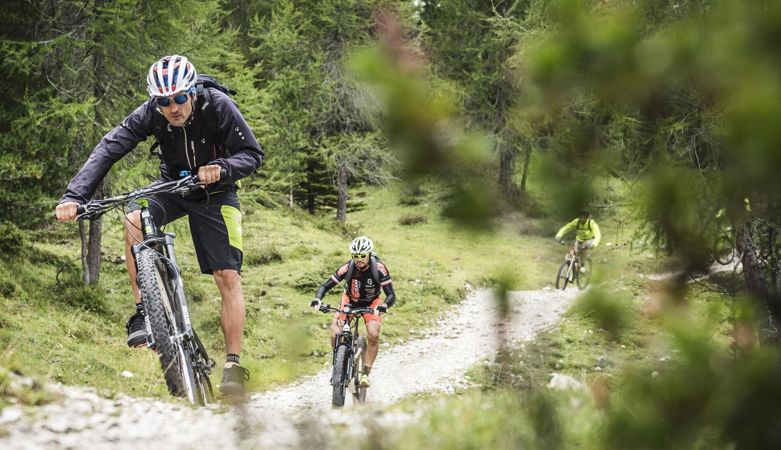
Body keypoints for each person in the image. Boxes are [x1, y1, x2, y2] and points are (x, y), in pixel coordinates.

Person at [54, 55, 263, 396]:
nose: (173, 108)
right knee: (135, 218)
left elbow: (252, 154)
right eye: (164, 101)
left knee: (228, 277)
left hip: (217, 192)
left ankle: (233, 364)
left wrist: (222, 168)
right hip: (174, 188)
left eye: (180, 98)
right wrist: (74, 196)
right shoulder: (151, 112)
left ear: (192, 92)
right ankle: (144, 312)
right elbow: (109, 148)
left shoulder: (218, 106)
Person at [310, 236, 397, 388]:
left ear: (369, 254)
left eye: (362, 256)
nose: (359, 260)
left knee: (373, 334)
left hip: (372, 302)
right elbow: (325, 286)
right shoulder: (348, 267)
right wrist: (318, 299)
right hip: (350, 300)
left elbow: (391, 294)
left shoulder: (379, 268)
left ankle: (365, 374)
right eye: (355, 256)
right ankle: (339, 365)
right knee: (335, 331)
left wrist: (384, 305)